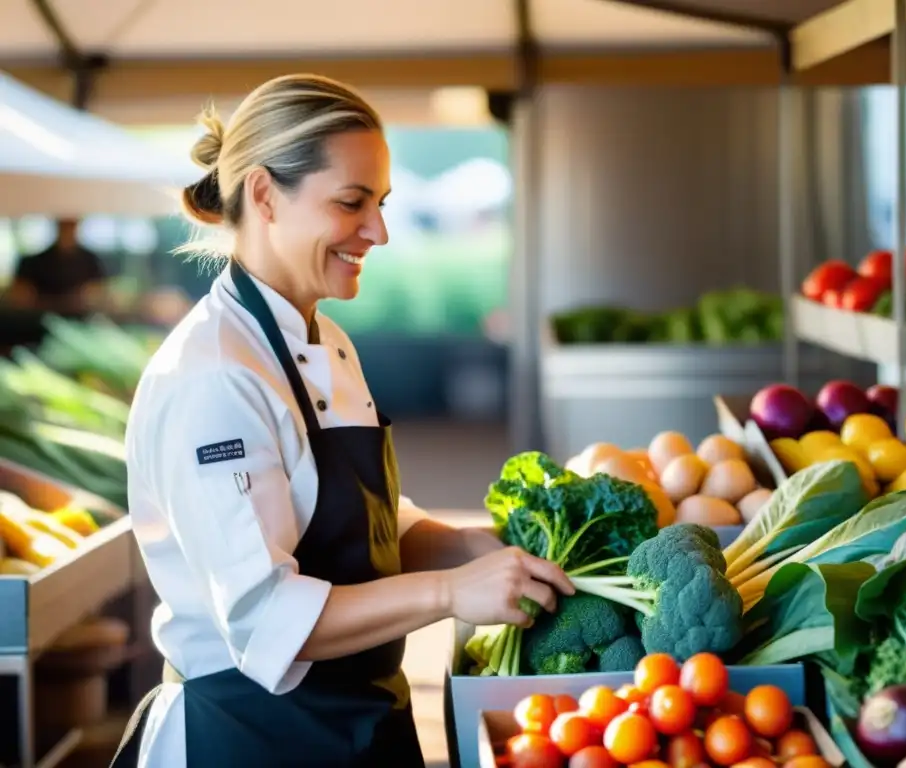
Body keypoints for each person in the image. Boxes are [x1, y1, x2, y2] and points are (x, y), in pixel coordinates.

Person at [111, 74, 574, 768]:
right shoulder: (212, 377)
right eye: (352, 203)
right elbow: (268, 618)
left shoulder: (326, 340)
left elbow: (363, 525)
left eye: (381, 204)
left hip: (360, 725)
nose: (379, 231)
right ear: (264, 195)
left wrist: (477, 551)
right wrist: (451, 592)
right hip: (248, 741)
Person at [5, 219, 107, 313]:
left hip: (80, 319)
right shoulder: (34, 262)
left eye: (71, 224)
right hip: (38, 319)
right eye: (64, 224)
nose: (68, 228)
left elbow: (98, 293)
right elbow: (19, 295)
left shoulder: (90, 261)